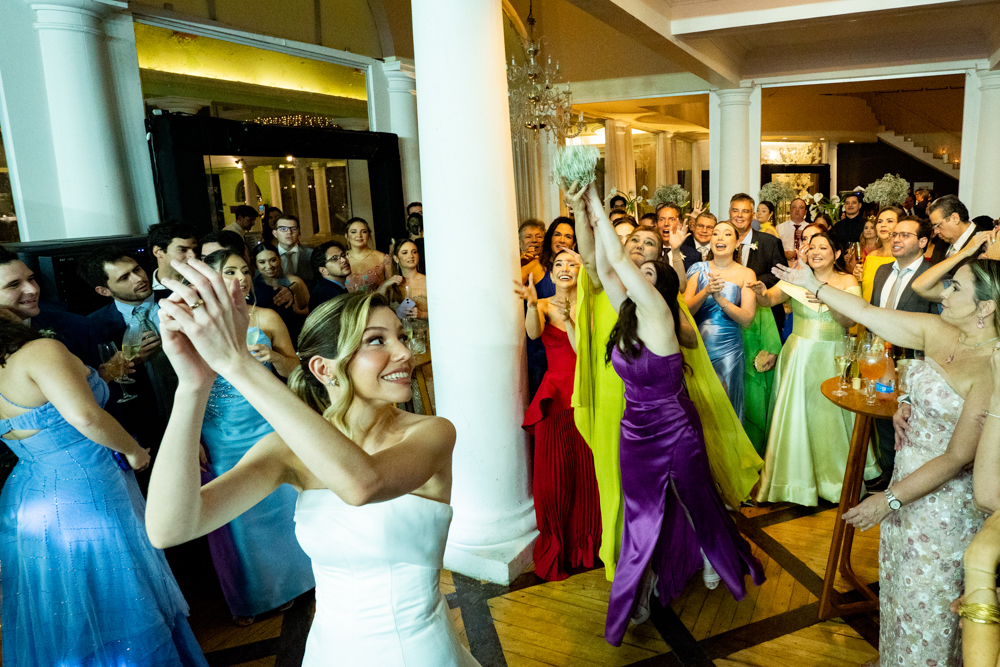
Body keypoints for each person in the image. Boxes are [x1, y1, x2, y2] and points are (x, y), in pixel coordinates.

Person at [146, 264, 480, 666]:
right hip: (329, 651)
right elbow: (169, 528)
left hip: (417, 652)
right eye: (377, 340)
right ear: (324, 368)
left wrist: (239, 364)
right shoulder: (285, 452)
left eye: (401, 337)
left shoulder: (432, 434)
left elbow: (362, 485)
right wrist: (194, 385)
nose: (405, 352)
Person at [774, 251, 998, 667]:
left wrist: (887, 499)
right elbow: (866, 311)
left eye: (955, 287)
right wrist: (813, 284)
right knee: (896, 593)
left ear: (985, 307)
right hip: (907, 479)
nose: (943, 294)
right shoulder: (938, 330)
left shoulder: (992, 367)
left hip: (943, 510)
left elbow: (956, 456)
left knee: (929, 608)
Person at [579, 182, 763, 644]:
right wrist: (581, 207)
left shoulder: (661, 314)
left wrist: (599, 204)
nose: (630, 277)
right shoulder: (626, 309)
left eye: (643, 274)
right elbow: (604, 265)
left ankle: (716, 560)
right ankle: (640, 591)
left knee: (694, 500)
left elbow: (618, 261)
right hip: (634, 431)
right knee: (638, 518)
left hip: (675, 430)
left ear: (655, 287)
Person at [0, 319, 207, 667]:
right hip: (84, 490)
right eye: (13, 285)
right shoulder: (40, 350)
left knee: (71, 604)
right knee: (119, 591)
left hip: (28, 496)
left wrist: (102, 374)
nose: (31, 289)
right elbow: (85, 417)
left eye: (31, 280)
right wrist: (134, 451)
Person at [195, 249, 310, 625]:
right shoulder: (199, 325)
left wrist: (275, 358)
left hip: (267, 420)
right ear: (211, 279)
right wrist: (192, 437)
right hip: (220, 431)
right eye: (230, 271)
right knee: (240, 513)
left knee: (281, 507)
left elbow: (297, 370)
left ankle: (297, 581)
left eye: (245, 271)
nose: (241, 278)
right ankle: (257, 594)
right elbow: (189, 386)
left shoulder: (267, 317)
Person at [750, 232, 878, 505]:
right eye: (812, 247)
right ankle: (794, 481)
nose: (816, 251)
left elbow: (849, 323)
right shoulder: (795, 277)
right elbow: (768, 300)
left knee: (831, 417)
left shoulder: (846, 281)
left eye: (823, 247)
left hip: (834, 356)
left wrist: (827, 297)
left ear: (836, 253)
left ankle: (835, 480)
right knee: (797, 415)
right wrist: (760, 292)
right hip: (799, 356)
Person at [514, 249, 601, 582]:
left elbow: (585, 350)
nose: (566, 268)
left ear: (583, 271)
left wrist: (571, 316)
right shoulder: (543, 304)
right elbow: (534, 334)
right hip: (554, 399)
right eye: (560, 264)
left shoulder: (595, 305)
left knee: (588, 478)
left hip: (586, 398)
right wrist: (532, 304)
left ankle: (588, 546)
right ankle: (557, 547)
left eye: (573, 264)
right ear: (551, 273)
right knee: (553, 482)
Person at [80, 248, 178, 479]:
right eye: (124, 278)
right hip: (145, 427)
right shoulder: (93, 327)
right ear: (104, 290)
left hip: (207, 411)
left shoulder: (177, 298)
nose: (139, 278)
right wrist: (118, 367)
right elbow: (91, 386)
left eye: (137, 269)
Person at [865, 216, 938, 491]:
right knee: (882, 413)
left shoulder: (932, 276)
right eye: (895, 234)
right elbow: (873, 313)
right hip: (881, 356)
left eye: (905, 235)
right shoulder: (883, 271)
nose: (896, 239)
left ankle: (908, 479)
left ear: (922, 242)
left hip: (914, 360)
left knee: (909, 418)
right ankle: (887, 471)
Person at [683, 221, 757, 419]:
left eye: (726, 234)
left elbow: (748, 319)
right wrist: (706, 291)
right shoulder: (698, 269)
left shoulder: (746, 273)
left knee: (726, 410)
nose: (720, 238)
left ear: (737, 242)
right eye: (716, 234)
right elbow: (685, 309)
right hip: (698, 347)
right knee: (699, 407)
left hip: (729, 350)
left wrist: (720, 299)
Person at [729, 193, 788, 332]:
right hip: (730, 317)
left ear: (753, 215)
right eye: (735, 210)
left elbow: (781, 275)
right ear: (729, 213)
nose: (739, 215)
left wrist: (747, 282)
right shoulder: (721, 243)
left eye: (745, 211)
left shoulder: (770, 242)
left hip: (765, 315)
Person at [927, 195, 992, 269]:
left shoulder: (988, 243)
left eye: (938, 225)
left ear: (955, 218)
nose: (936, 231)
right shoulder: (940, 244)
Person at [855, 206, 901, 303]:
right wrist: (858, 280)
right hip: (867, 313)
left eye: (889, 221)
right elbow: (865, 290)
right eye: (879, 221)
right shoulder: (872, 256)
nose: (883, 225)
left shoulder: (903, 257)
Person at [524, 217, 577, 295]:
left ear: (574, 243)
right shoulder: (536, 266)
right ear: (550, 238)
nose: (562, 240)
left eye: (568, 236)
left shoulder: (581, 267)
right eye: (557, 235)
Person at [148, 222, 199, 300]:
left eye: (194, 250)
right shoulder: (143, 287)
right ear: (158, 252)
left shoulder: (199, 283)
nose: (193, 256)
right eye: (182, 250)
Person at [345, 217, 392, 293]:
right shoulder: (342, 259)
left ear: (369, 235)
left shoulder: (382, 258)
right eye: (353, 232)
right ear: (346, 236)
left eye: (363, 231)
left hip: (376, 303)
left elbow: (391, 289)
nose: (359, 235)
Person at [385, 240, 427, 319]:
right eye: (405, 253)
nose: (411, 256)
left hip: (424, 330)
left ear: (418, 255)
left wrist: (422, 315)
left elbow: (444, 311)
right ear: (396, 258)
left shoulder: (428, 281)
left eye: (414, 252)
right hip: (400, 331)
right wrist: (384, 285)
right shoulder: (391, 285)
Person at [655, 202, 699, 276]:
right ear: (656, 224)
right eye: (662, 219)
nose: (666, 224)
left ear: (680, 224)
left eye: (671, 219)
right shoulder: (648, 252)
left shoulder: (693, 256)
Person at [274, 215, 316, 288]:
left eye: (293, 229)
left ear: (299, 232)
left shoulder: (311, 254)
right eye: (283, 229)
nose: (289, 232)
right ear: (275, 233)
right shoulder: (269, 256)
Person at [309, 240, 350, 310]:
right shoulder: (327, 295)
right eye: (334, 258)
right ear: (323, 270)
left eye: (343, 255)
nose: (344, 260)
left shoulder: (334, 287)